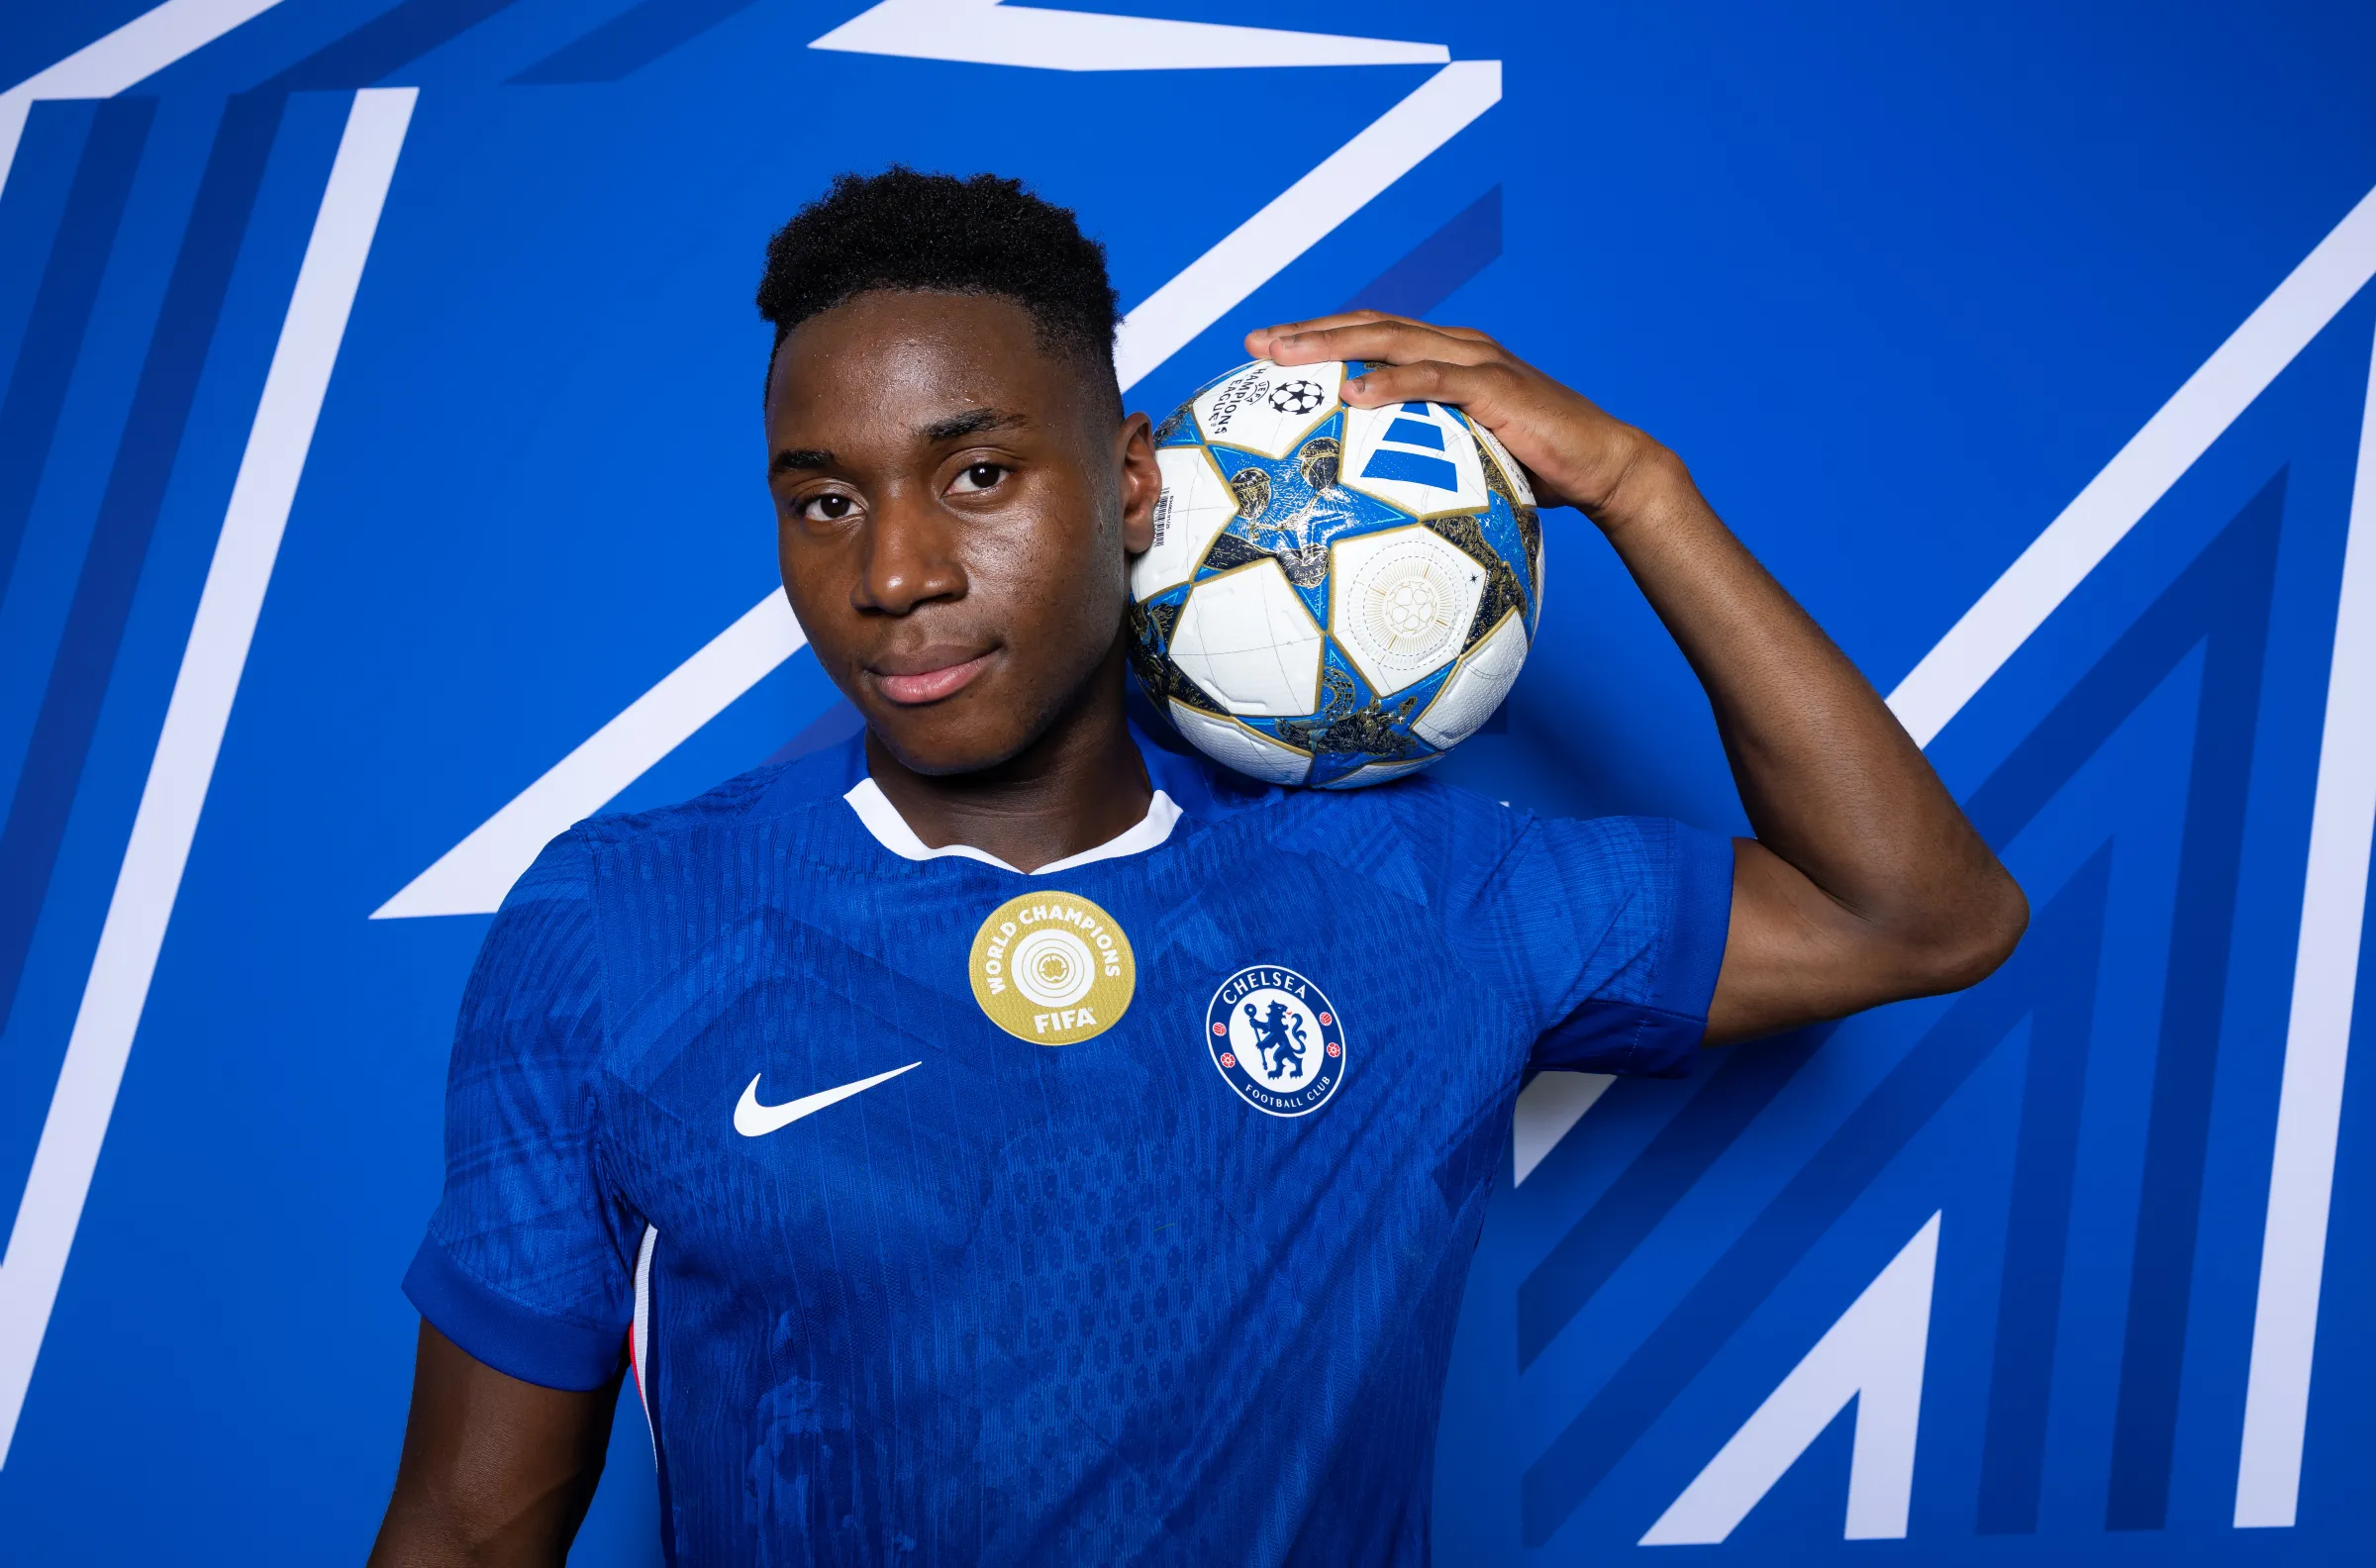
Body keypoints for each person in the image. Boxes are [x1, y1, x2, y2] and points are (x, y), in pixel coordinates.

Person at [368, 168, 2026, 1566]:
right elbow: (468, 1525)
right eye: (823, 503)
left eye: (977, 474)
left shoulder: (1414, 894)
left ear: (1133, 483)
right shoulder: (622, 925)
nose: (895, 572)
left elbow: (1917, 916)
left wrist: (1638, 489)